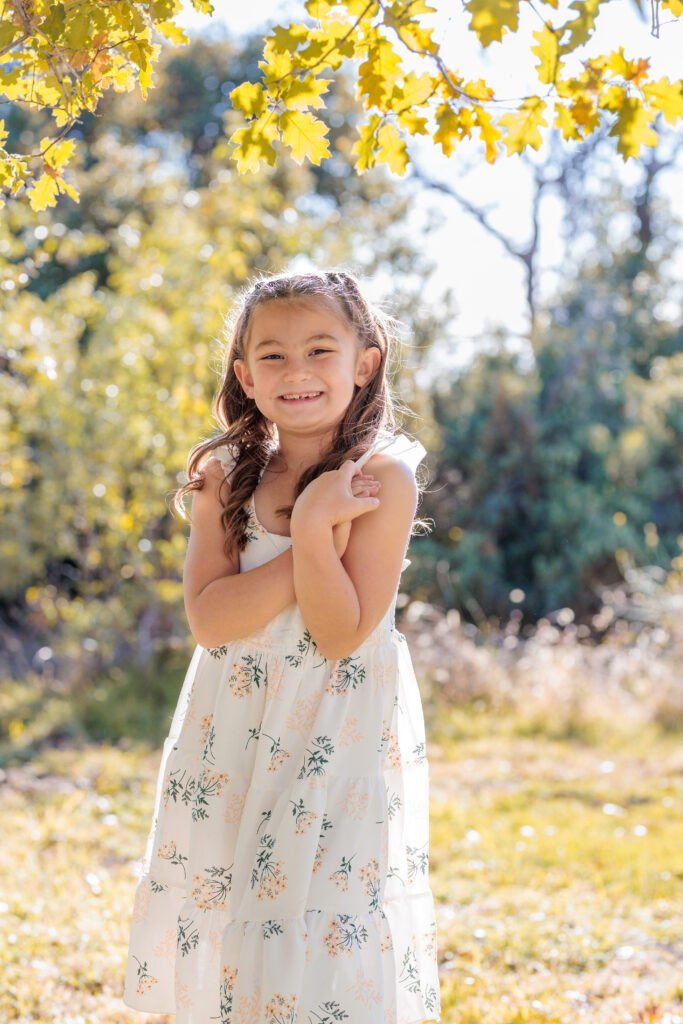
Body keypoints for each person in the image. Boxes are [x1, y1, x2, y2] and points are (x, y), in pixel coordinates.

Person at [122, 268, 441, 1024]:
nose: (295, 372)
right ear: (244, 374)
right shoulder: (225, 477)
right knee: (239, 896)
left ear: (364, 363)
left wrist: (307, 526)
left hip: (336, 730)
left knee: (321, 900)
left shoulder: (382, 481)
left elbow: (338, 633)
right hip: (234, 727)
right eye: (271, 356)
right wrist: (310, 533)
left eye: (319, 350)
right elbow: (210, 619)